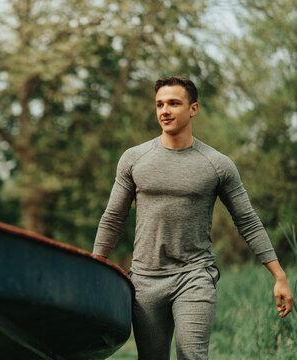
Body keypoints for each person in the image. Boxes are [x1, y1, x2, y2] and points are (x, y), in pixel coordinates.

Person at [93, 76, 293, 360]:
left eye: (174, 103)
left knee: (192, 355)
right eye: (160, 104)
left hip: (194, 275)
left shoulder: (217, 164)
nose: (165, 110)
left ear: (193, 108)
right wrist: (95, 267)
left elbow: (247, 221)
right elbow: (113, 217)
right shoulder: (134, 159)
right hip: (145, 281)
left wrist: (279, 275)